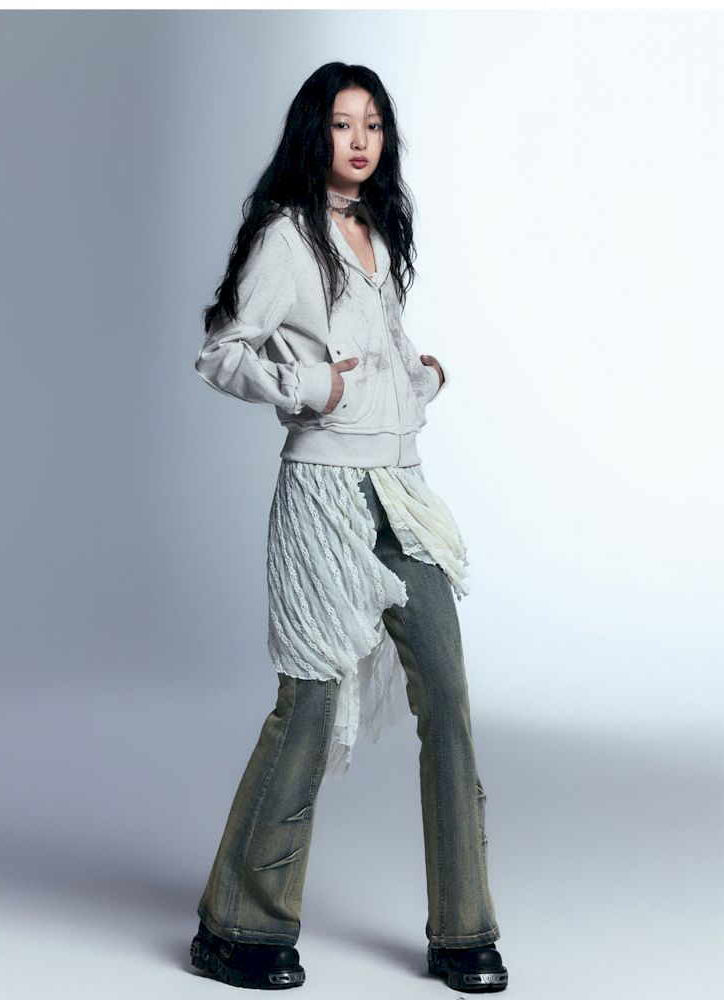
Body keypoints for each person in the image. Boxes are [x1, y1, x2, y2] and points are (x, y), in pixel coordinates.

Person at [189, 62, 508, 994]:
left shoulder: (375, 229)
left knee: (446, 692)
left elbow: (380, 357)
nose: (360, 140)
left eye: (373, 124)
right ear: (314, 133)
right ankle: (239, 925)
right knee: (310, 707)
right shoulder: (287, 237)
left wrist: (421, 380)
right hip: (324, 499)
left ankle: (464, 931)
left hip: (400, 491)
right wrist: (309, 386)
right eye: (342, 123)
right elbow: (222, 353)